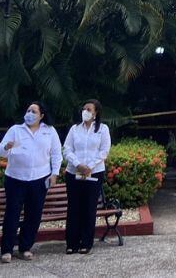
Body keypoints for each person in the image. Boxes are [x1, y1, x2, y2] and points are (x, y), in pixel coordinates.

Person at [0, 102, 62, 263]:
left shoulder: (49, 131)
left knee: (34, 214)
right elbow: (0, 152)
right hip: (15, 178)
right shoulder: (15, 130)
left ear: (41, 115)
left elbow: (56, 153)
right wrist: (6, 147)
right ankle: (7, 249)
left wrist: (54, 173)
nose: (29, 113)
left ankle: (25, 247)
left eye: (33, 111)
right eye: (28, 110)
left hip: (40, 178)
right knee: (12, 214)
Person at [63, 100, 111, 255]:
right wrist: (78, 164)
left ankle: (86, 242)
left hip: (94, 172)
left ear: (95, 112)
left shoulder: (102, 129)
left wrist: (89, 165)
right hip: (74, 172)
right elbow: (67, 149)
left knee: (89, 208)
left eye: (89, 109)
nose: (85, 111)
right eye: (84, 109)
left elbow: (104, 151)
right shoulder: (75, 129)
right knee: (74, 207)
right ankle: (72, 243)